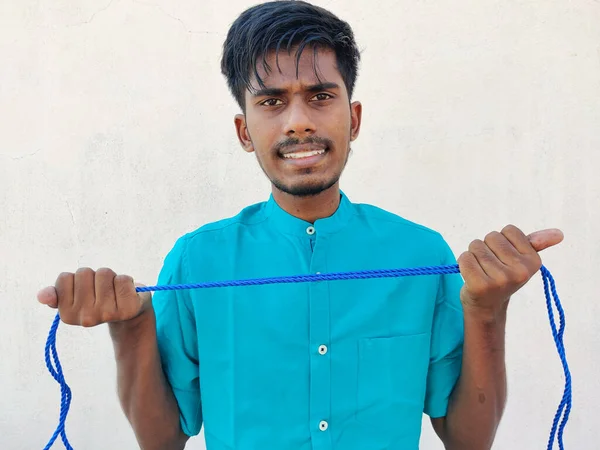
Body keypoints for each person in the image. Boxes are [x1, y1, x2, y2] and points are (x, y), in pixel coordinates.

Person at [37, 1, 564, 449]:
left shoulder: (420, 253)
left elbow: (467, 439)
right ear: (245, 131)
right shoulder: (199, 261)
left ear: (353, 119)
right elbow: (165, 439)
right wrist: (130, 328)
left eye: (320, 95)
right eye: (271, 102)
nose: (298, 121)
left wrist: (488, 311)